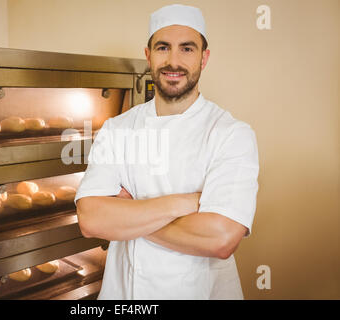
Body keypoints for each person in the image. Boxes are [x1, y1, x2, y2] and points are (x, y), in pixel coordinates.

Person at [74, 4, 259, 299]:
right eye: (163, 47)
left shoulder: (231, 134)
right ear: (148, 56)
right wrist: (186, 203)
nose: (173, 61)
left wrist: (128, 217)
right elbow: (91, 220)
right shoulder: (117, 128)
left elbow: (221, 239)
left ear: (204, 58)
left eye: (187, 49)